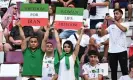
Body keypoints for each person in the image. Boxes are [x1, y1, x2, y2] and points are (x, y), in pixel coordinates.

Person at [104, 9, 129, 80]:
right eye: (114, 14)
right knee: (113, 71)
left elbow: (124, 29)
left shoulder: (126, 24)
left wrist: (114, 21)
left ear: (121, 15)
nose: (115, 15)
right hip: (112, 51)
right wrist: (104, 21)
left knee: (124, 70)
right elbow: (103, 33)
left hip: (122, 50)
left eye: (117, 13)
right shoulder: (111, 26)